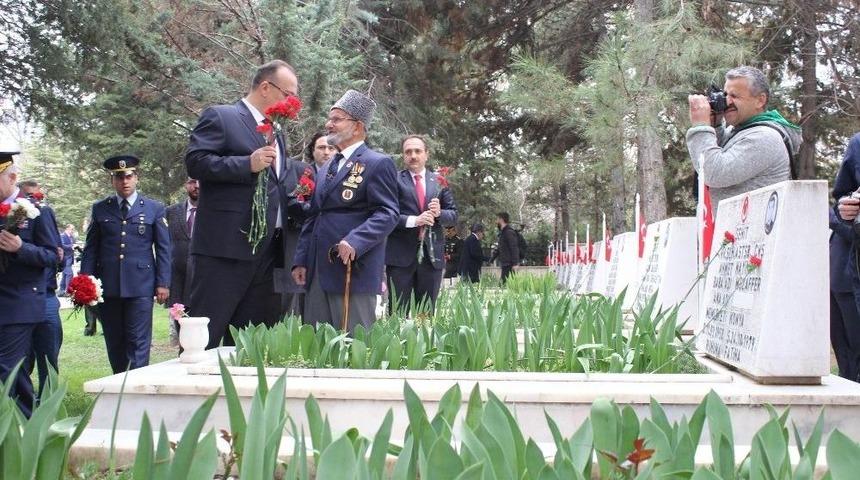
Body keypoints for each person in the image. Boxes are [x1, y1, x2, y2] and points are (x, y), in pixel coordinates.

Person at [185, 59, 309, 348]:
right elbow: (196, 162)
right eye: (288, 94)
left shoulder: (276, 132)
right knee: (206, 336)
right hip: (225, 251)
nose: (292, 102)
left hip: (267, 254)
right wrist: (246, 164)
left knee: (253, 340)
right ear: (266, 87)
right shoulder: (221, 116)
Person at [292, 89, 399, 332]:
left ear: (358, 126)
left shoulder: (377, 163)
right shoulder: (328, 165)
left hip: (352, 268)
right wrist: (301, 259)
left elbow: (387, 212)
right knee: (317, 342)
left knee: (353, 343)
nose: (329, 124)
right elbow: (314, 215)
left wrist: (356, 240)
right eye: (329, 119)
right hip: (318, 269)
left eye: (337, 119)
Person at [80, 155, 171, 374]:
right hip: (108, 287)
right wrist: (85, 282)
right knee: (115, 341)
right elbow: (91, 249)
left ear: (136, 177)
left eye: (129, 176)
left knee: (138, 342)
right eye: (119, 177)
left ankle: (136, 389)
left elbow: (164, 248)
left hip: (140, 285)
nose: (125, 181)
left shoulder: (153, 208)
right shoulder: (101, 208)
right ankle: (118, 386)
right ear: (112, 180)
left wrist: (163, 283)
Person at [686, 66, 800, 207]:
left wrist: (701, 126)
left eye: (734, 96)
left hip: (753, 228)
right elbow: (715, 154)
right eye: (725, 95)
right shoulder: (740, 131)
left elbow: (713, 173)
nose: (727, 102)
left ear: (760, 100)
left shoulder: (764, 137)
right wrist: (714, 125)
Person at [0, 152, 60, 416]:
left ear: (12, 177)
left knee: (8, 368)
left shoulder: (36, 212)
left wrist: (21, 247)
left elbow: (51, 255)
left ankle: (25, 423)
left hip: (20, 302)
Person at [385, 135, 457, 313]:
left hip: (431, 258)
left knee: (425, 316)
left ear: (427, 154)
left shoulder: (439, 182)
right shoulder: (393, 180)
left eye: (418, 151)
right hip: (400, 259)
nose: (413, 155)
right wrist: (414, 221)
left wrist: (439, 213)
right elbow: (387, 215)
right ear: (403, 156)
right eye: (408, 152)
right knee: (397, 314)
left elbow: (453, 216)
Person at [18, 180, 64, 401]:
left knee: (49, 356)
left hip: (46, 296)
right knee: (21, 360)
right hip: (21, 298)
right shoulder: (13, 217)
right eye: (28, 196)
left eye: (37, 197)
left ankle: (48, 402)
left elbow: (57, 253)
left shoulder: (45, 214)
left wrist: (62, 258)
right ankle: (23, 404)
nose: (33, 201)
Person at [831, 132, 860, 381]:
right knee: (850, 370)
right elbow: (840, 199)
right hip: (848, 274)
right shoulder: (858, 144)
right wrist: (846, 208)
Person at [165, 177, 198, 347]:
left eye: (200, 182)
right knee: (181, 326)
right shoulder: (171, 212)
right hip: (177, 280)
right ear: (186, 184)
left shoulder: (213, 212)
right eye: (192, 182)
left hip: (203, 280)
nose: (197, 186)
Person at [495, 212, 519, 284]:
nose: (496, 221)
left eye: (497, 219)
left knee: (504, 286)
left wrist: (515, 263)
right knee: (503, 286)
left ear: (501, 219)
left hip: (509, 265)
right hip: (505, 264)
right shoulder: (503, 233)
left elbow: (514, 248)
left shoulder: (509, 232)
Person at [59, 224, 75, 294]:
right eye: (71, 229)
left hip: (70, 257)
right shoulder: (62, 236)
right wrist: (71, 246)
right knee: (69, 273)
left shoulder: (72, 237)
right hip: (65, 257)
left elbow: (73, 245)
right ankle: (67, 290)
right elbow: (62, 245)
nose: (72, 231)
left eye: (73, 229)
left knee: (65, 274)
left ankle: (61, 290)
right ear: (67, 228)